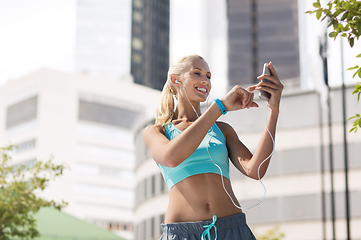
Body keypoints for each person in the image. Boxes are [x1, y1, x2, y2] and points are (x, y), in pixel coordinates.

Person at [143, 54, 283, 240]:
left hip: (232, 231)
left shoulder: (222, 130)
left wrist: (273, 110)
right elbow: (171, 157)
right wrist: (219, 107)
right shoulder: (156, 131)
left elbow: (255, 170)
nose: (205, 80)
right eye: (197, 73)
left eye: (208, 76)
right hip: (183, 235)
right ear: (174, 79)